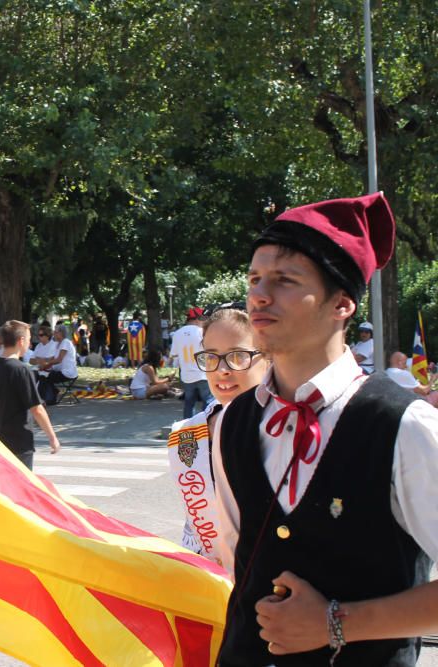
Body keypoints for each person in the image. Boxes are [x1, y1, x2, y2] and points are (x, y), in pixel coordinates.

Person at [210, 192, 438, 666]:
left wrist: (335, 622)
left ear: (342, 304)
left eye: (285, 279)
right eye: (254, 278)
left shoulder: (405, 426)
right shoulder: (232, 420)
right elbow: (238, 556)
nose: (259, 295)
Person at [167, 306, 269, 565]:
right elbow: (195, 526)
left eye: (237, 356)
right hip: (209, 581)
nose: (222, 370)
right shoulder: (190, 434)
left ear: (268, 357)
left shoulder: (288, 428)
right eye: (210, 357)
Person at [0, 320, 61, 469]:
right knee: (21, 488)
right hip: (20, 442)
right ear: (21, 341)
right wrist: (52, 437)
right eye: (28, 340)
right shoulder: (22, 370)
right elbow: (36, 409)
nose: (29, 344)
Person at [172, 307, 212, 418]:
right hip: (203, 373)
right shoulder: (201, 332)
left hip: (186, 376)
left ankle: (189, 428)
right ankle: (206, 424)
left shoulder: (177, 333)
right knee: (209, 401)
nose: (204, 321)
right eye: (203, 318)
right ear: (197, 319)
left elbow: (174, 354)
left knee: (189, 403)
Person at [34, 324, 78, 404]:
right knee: (43, 375)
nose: (53, 333)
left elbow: (59, 360)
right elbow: (53, 359)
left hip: (67, 372)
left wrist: (46, 363)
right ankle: (51, 394)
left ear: (61, 333)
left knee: (44, 377)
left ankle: (48, 399)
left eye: (55, 332)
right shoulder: (58, 344)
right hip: (59, 371)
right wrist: (44, 366)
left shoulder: (66, 342)